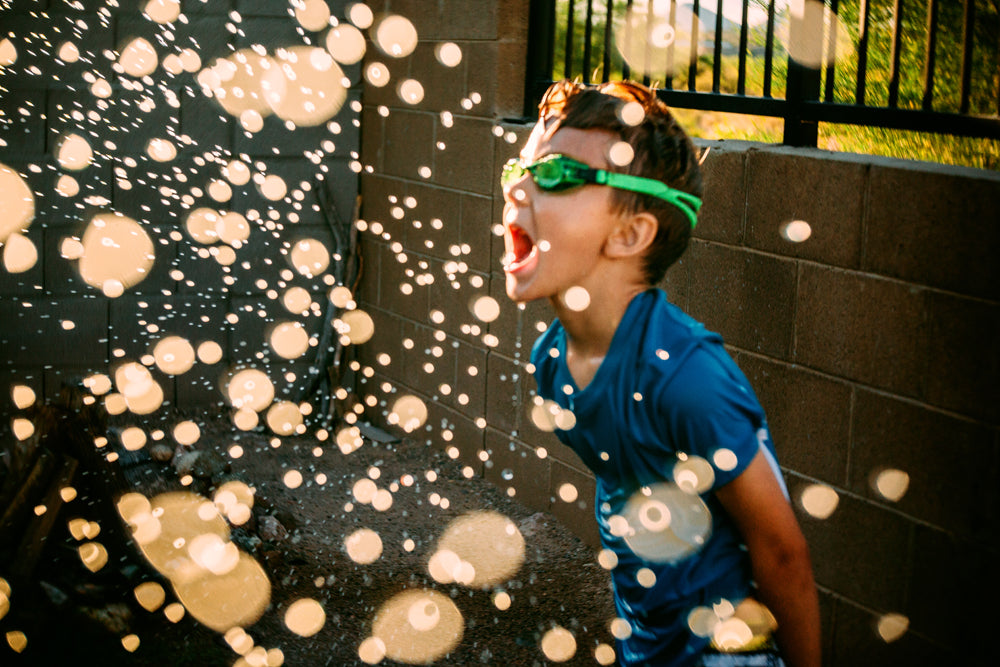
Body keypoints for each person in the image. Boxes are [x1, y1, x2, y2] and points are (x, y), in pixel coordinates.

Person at [500, 80, 821, 667]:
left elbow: (782, 554)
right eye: (519, 168)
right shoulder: (553, 362)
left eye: (556, 176)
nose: (518, 186)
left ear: (630, 233)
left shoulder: (688, 380)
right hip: (651, 643)